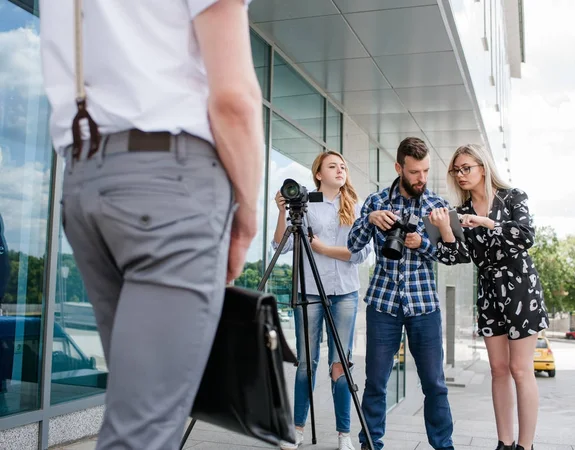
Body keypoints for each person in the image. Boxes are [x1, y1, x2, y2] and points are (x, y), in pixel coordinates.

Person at [39, 1, 264, 449]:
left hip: (83, 179)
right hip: (170, 186)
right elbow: (233, 99)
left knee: (134, 408)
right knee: (143, 430)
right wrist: (247, 212)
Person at [429, 144, 548, 450]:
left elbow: (526, 235)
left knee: (521, 369)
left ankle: (526, 445)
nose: (460, 175)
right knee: (498, 369)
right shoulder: (461, 212)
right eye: (456, 170)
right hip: (490, 291)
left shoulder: (513, 197)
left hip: (520, 285)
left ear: (483, 167)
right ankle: (504, 443)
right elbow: (457, 256)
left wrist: (487, 223)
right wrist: (445, 229)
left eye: (466, 167)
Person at [347, 137, 454, 450]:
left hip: (425, 307)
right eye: (414, 172)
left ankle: (443, 445)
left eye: (425, 171)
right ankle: (370, 444)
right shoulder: (376, 200)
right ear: (399, 168)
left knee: (435, 384)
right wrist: (369, 220)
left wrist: (422, 243)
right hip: (383, 305)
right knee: (376, 383)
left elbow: (449, 257)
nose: (421, 178)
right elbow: (353, 246)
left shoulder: (436, 206)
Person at [272, 151, 372, 450]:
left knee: (340, 364)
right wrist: (282, 212)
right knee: (306, 364)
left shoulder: (354, 206)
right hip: (310, 292)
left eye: (343, 166)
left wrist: (324, 249)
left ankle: (344, 435)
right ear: (318, 174)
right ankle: (297, 429)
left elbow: (362, 254)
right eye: (332, 166)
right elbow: (281, 244)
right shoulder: (304, 204)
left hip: (345, 294)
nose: (340, 170)